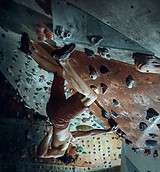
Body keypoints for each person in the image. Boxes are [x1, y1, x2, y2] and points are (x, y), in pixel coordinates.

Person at [20, 32, 115, 163]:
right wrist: (106, 131)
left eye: (76, 154)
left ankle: (64, 60)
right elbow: (89, 133)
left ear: (70, 156)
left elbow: (41, 154)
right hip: (53, 112)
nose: (78, 151)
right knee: (59, 72)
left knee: (92, 95)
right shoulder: (70, 139)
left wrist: (48, 134)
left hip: (60, 118)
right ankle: (30, 51)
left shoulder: (61, 151)